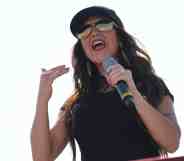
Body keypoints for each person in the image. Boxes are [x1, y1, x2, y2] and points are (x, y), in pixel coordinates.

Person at [30, 6, 181, 161]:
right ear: (83, 49)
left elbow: (172, 143)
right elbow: (41, 158)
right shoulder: (75, 104)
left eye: (103, 24)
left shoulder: (150, 85)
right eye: (85, 30)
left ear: (119, 37)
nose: (94, 32)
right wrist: (42, 100)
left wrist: (134, 94)